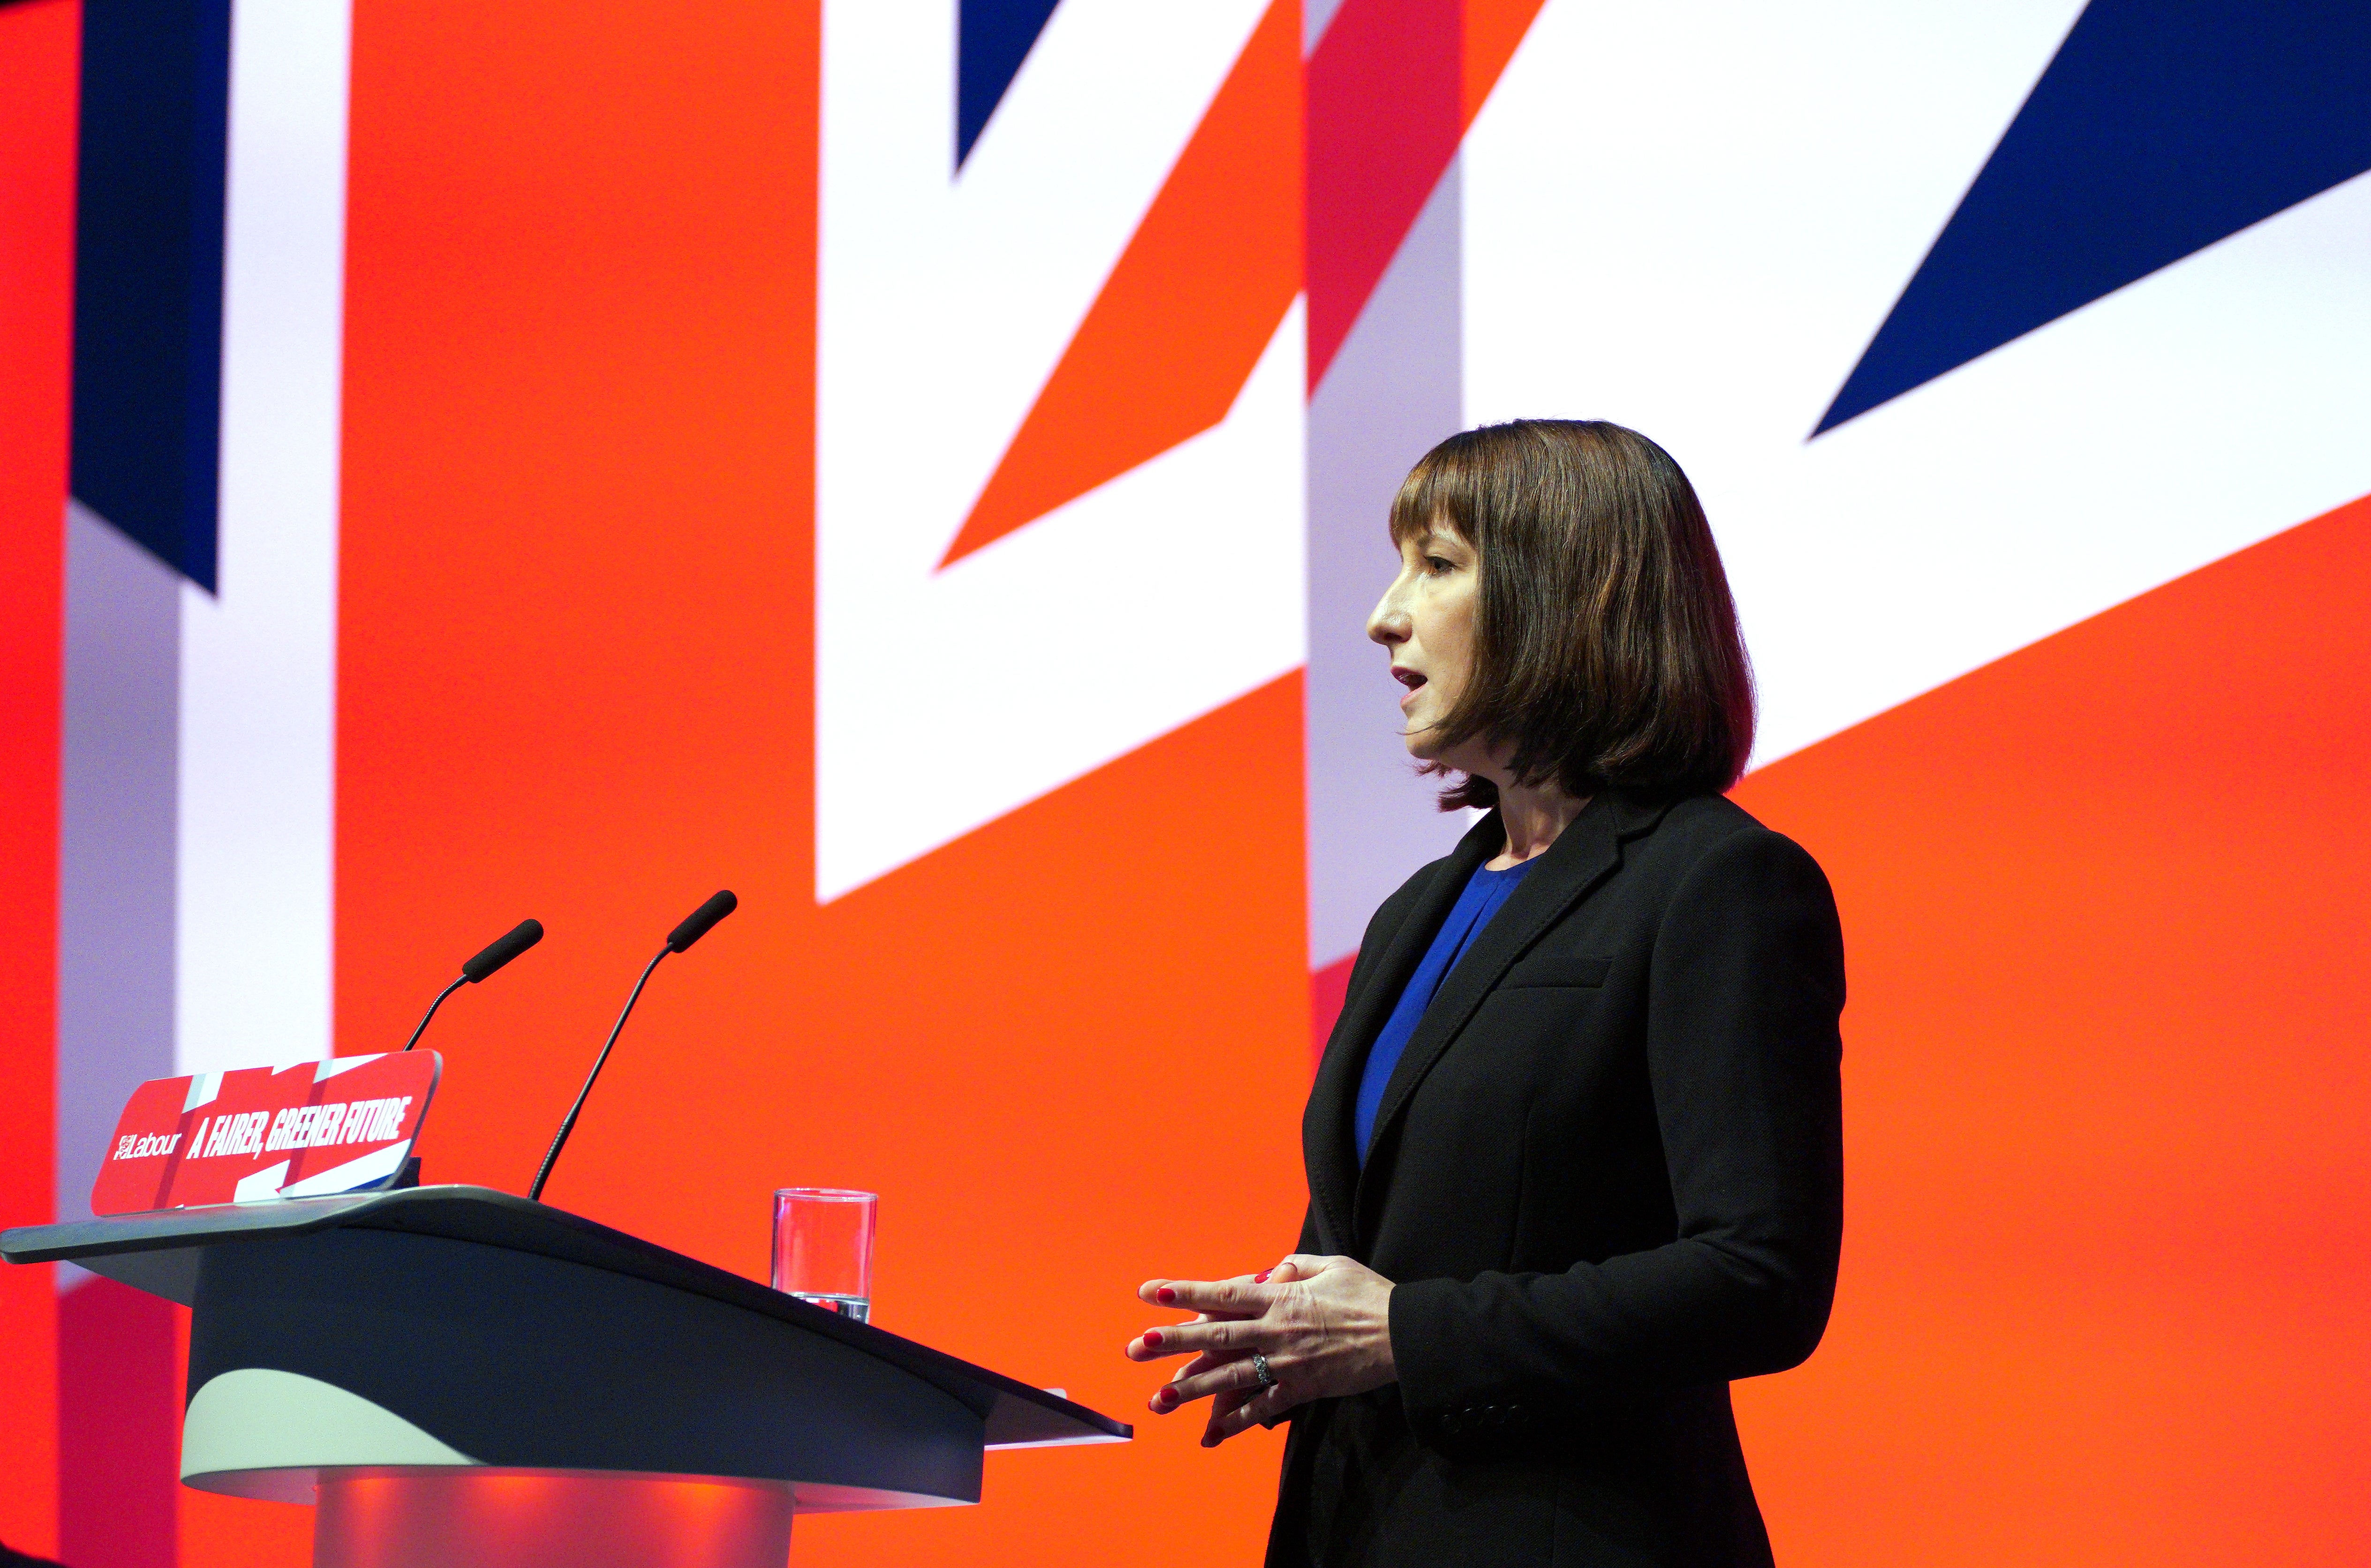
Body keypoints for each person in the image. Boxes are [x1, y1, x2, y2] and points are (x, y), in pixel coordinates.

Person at [1126, 420, 1845, 1566]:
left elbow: (1759, 1277)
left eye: (1438, 564)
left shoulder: (1715, 882)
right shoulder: (1419, 907)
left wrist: (1408, 1330)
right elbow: (1395, 1234)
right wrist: (1284, 1331)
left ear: (1573, 594)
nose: (1383, 614)